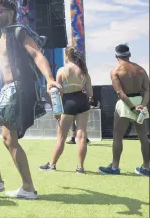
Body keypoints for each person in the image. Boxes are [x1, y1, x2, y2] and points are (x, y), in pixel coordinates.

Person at [0, 0, 61, 199]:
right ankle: (28, 188)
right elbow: (0, 55)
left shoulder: (18, 31)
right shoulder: (4, 36)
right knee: (10, 140)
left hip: (15, 89)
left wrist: (50, 79)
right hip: (10, 89)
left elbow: (37, 54)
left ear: (11, 13)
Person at [39, 46, 93, 173]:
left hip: (68, 103)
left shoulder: (62, 70)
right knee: (81, 136)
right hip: (82, 102)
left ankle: (52, 165)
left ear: (67, 56)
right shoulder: (84, 71)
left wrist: (56, 111)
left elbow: (58, 92)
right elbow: (90, 92)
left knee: (61, 137)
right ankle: (80, 167)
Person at [99, 44, 149, 176]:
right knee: (143, 137)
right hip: (140, 102)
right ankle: (146, 167)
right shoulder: (141, 70)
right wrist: (142, 105)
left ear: (116, 56)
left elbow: (120, 93)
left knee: (117, 136)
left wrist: (132, 107)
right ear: (129, 55)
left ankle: (115, 167)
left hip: (126, 104)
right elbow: (148, 90)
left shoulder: (116, 71)